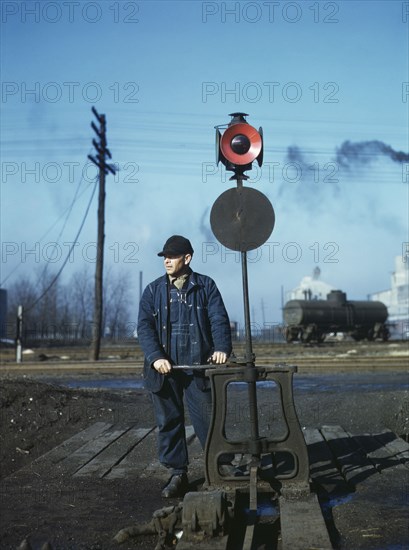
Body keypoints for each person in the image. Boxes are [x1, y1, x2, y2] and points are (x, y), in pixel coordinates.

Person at [137, 235, 232, 498]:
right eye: (164, 256)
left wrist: (221, 348)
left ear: (187, 258)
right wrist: (156, 357)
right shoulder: (153, 291)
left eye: (173, 256)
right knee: (169, 422)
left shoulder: (205, 286)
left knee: (208, 420)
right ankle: (178, 474)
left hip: (197, 368)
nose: (167, 260)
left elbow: (218, 319)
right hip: (164, 371)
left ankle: (221, 467)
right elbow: (144, 327)